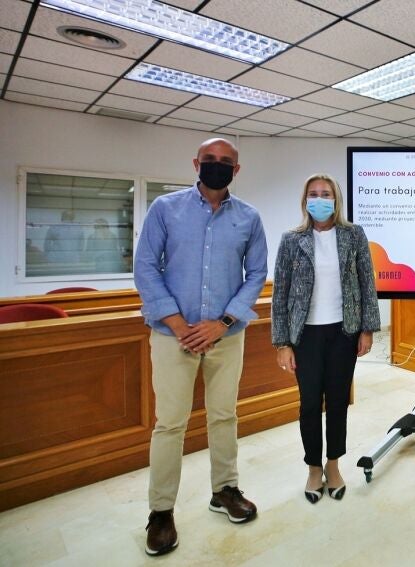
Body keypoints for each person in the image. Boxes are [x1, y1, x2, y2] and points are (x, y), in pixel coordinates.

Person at [134, 138, 267, 557]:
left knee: (224, 415)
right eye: (209, 160)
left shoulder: (248, 217)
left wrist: (221, 323)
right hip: (172, 337)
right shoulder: (165, 208)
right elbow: (145, 267)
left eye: (226, 162)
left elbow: (257, 273)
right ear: (196, 163)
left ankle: (224, 490)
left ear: (236, 170)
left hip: (226, 336)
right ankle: (160, 512)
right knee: (170, 424)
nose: (216, 166)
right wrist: (178, 324)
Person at [271, 173, 380, 504]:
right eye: (314, 194)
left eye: (326, 193)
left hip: (343, 332)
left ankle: (333, 465)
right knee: (309, 404)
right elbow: (280, 293)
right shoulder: (292, 240)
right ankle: (313, 468)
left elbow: (367, 283)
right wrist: (282, 343)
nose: (320, 199)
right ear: (305, 201)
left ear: (336, 199)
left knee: (337, 402)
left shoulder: (353, 235)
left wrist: (367, 329)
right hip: (305, 335)